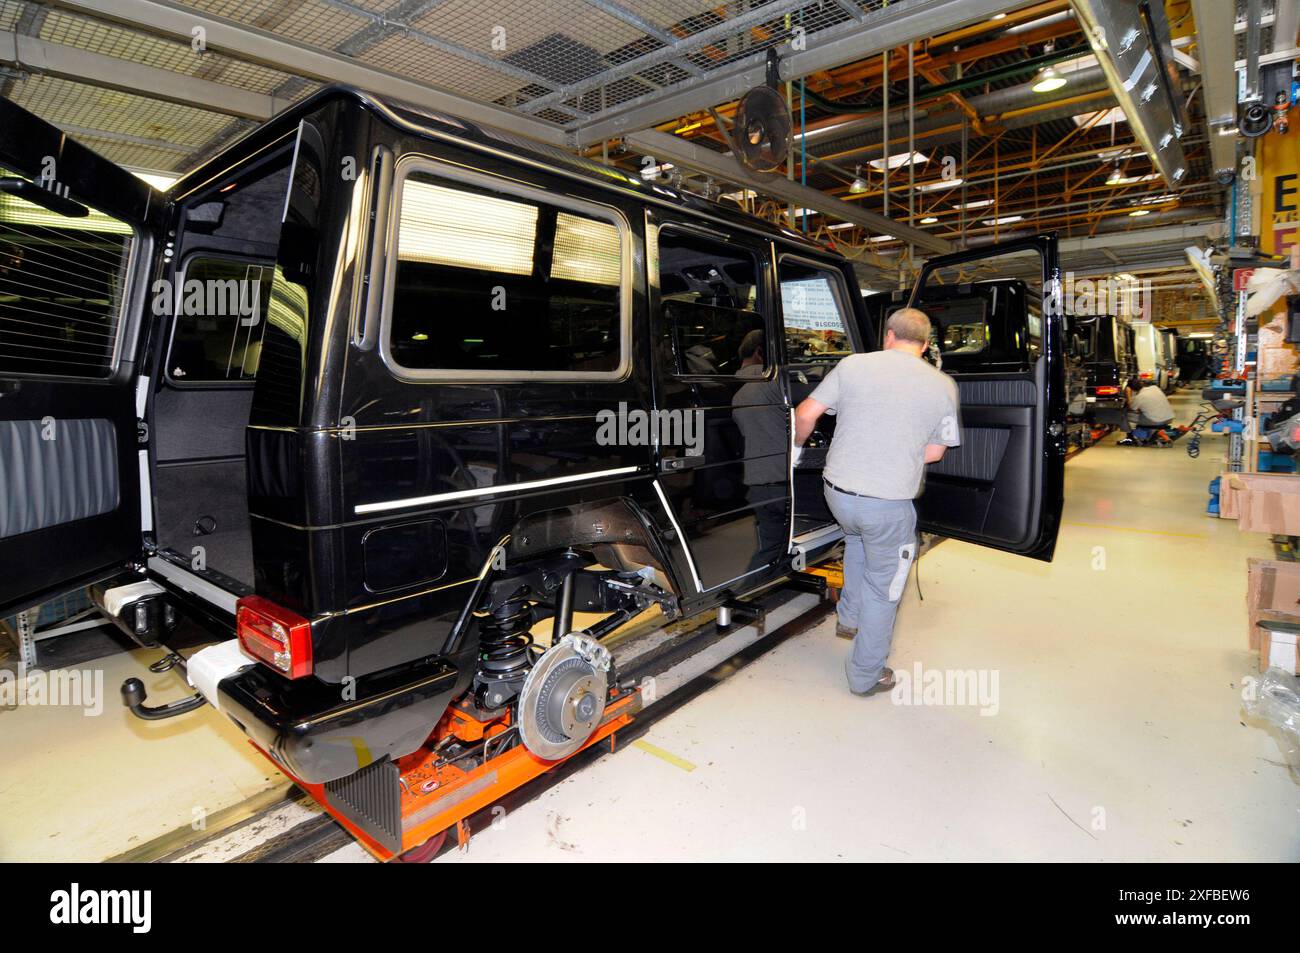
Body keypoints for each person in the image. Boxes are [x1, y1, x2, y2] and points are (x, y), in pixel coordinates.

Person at [794, 308, 961, 697]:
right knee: (885, 590)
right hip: (887, 505)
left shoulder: (852, 366)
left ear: (888, 336)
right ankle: (866, 676)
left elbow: (805, 413)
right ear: (924, 345)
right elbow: (935, 453)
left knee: (856, 539)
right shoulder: (942, 385)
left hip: (837, 494)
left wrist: (798, 447)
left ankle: (848, 617)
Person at [1120, 377, 1174, 444]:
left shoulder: (1139, 397)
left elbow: (1131, 407)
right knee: (1144, 413)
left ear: (1132, 389)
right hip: (1169, 418)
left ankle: (1129, 436)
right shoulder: (1155, 388)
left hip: (1156, 421)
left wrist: (1128, 394)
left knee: (1124, 413)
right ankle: (1158, 433)